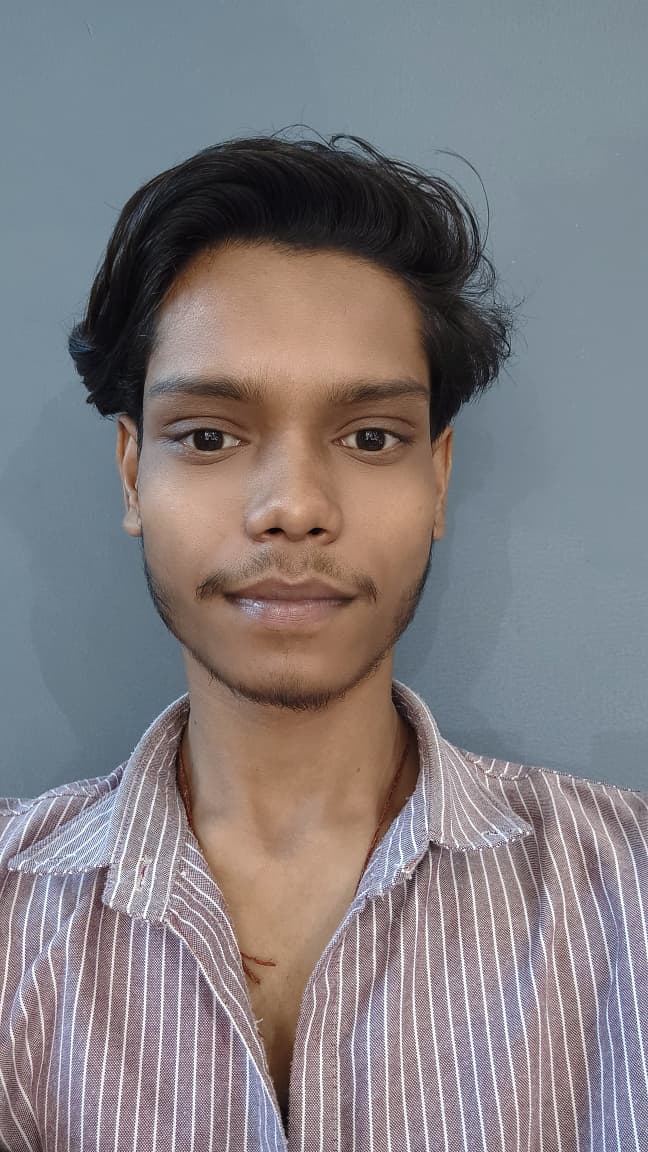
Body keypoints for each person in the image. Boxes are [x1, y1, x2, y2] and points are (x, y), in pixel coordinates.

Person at [1, 130, 646, 1152]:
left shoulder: (629, 891)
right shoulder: (12, 911)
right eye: (209, 436)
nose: (294, 507)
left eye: (371, 438)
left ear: (438, 478)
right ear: (132, 474)